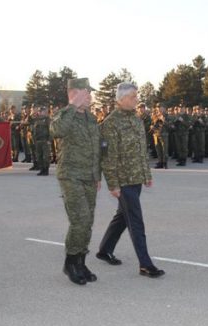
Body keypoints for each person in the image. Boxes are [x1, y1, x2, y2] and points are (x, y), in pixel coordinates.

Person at [97, 82, 165, 278]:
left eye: (136, 96)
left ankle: (104, 250)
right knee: (135, 220)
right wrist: (113, 184)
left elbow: (141, 150)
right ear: (122, 99)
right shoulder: (110, 123)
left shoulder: (135, 120)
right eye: (133, 97)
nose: (137, 99)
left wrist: (147, 174)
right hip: (123, 180)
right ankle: (145, 264)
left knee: (122, 217)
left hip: (136, 177)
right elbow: (108, 158)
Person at [50, 78, 101, 285]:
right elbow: (57, 131)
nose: (91, 96)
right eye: (87, 92)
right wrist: (71, 106)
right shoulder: (63, 114)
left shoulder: (91, 118)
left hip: (89, 176)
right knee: (79, 219)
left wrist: (97, 175)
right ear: (76, 93)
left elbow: (96, 148)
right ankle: (70, 262)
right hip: (70, 175)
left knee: (87, 222)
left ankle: (80, 261)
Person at [32, 106, 51, 176]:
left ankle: (46, 170)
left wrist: (49, 139)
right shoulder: (36, 119)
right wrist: (34, 139)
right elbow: (34, 130)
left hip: (45, 140)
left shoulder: (47, 119)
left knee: (45, 156)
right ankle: (42, 169)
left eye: (42, 111)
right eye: (40, 111)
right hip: (38, 140)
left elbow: (51, 130)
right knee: (39, 156)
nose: (40, 112)